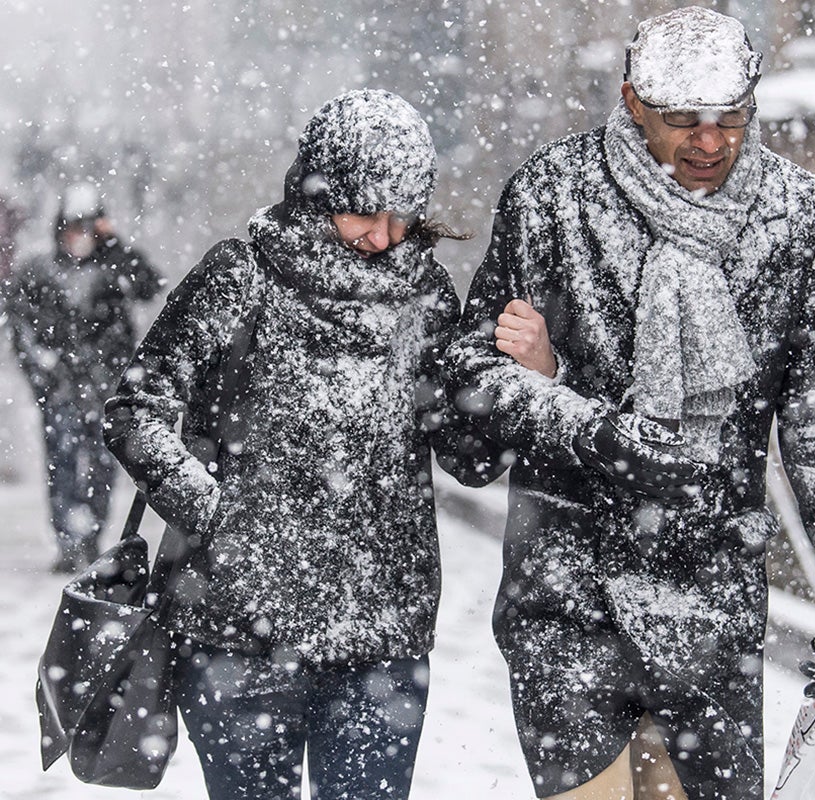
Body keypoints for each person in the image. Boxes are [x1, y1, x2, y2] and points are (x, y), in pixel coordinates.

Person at [447, 7, 815, 800]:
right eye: (683, 121)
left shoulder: (798, 217)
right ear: (631, 101)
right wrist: (587, 423)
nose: (710, 142)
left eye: (731, 118)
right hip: (568, 585)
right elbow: (470, 399)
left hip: (711, 594)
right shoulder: (553, 197)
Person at [103, 89, 502, 800]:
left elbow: (471, 459)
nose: (382, 236)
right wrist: (219, 518)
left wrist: (516, 378)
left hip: (381, 639)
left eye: (401, 216)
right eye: (363, 212)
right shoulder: (240, 277)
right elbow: (136, 410)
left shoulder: (427, 296)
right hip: (238, 637)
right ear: (315, 192)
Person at [5, 181, 162, 572]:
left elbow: (148, 284)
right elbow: (19, 324)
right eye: (73, 229)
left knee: (99, 467)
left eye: (88, 230)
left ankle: (89, 537)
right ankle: (66, 539)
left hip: (103, 389)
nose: (79, 239)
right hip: (59, 389)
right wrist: (40, 371)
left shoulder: (113, 269)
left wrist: (116, 245)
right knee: (61, 465)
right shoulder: (39, 272)